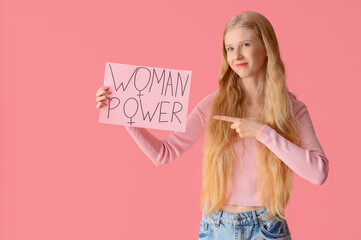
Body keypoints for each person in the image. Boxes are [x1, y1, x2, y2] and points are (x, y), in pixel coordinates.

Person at [95, 11, 329, 240]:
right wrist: (124, 111)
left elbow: (318, 173)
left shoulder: (292, 109)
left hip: (267, 229)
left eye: (245, 44)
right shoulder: (213, 105)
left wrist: (262, 132)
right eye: (230, 48)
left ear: (267, 48)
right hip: (217, 228)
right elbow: (163, 153)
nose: (237, 54)